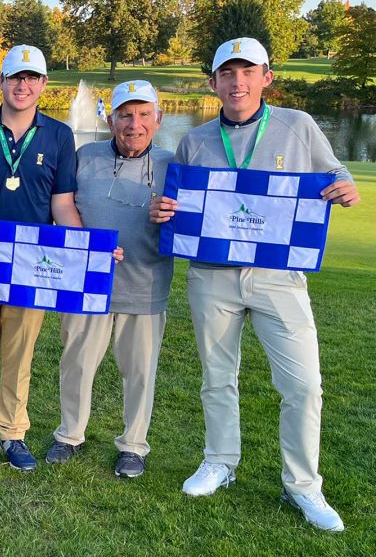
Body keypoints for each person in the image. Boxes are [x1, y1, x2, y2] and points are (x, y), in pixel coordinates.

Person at [151, 37, 360, 531]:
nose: (237, 81)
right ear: (214, 82)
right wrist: (167, 212)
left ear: (267, 77)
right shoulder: (195, 140)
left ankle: (303, 486)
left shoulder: (298, 125)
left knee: (304, 385)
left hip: (278, 278)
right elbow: (181, 206)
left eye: (248, 72)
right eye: (228, 73)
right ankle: (220, 461)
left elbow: (334, 170)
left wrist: (345, 184)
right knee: (217, 376)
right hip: (212, 276)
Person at [0, 45, 80, 470]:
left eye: (31, 78)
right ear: (1, 82)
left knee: (20, 349)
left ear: (44, 84)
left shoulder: (60, 136)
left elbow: (62, 204)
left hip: (34, 263)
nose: (22, 85)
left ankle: (13, 431)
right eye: (14, 77)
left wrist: (83, 250)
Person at [45, 80, 173, 479]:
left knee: (139, 371)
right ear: (110, 117)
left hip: (146, 284)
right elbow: (61, 208)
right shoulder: (85, 156)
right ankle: (69, 435)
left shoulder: (174, 164)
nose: (134, 124)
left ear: (159, 117)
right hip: (87, 284)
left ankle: (133, 445)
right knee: (77, 363)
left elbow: (199, 220)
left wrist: (175, 214)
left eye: (143, 114)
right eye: (125, 115)